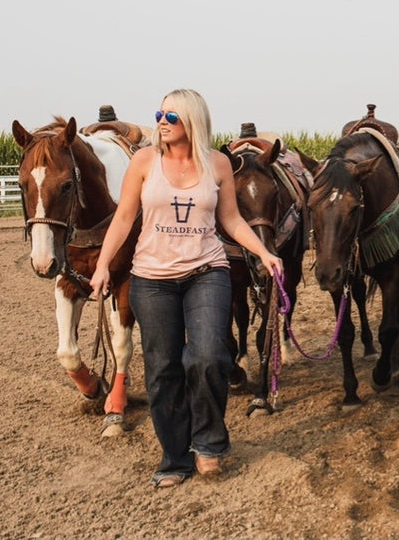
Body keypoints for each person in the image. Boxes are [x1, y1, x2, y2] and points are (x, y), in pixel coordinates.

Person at [90, 88, 283, 488]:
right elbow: (124, 218)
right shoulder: (144, 162)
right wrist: (104, 264)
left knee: (210, 356)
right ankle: (175, 457)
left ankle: (209, 443)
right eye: (159, 114)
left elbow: (230, 219)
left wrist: (263, 253)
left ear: (192, 121)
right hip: (152, 280)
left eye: (172, 117)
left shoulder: (217, 165)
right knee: (162, 370)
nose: (162, 121)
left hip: (206, 272)